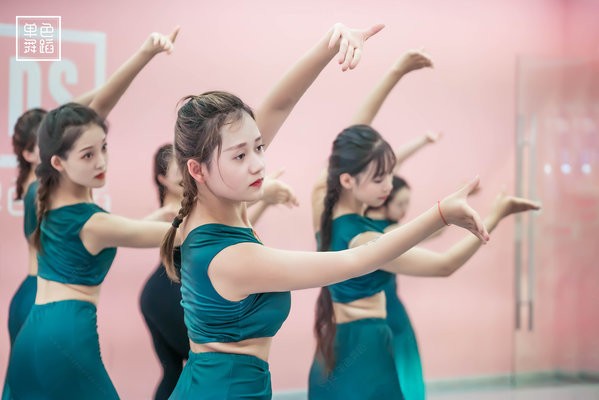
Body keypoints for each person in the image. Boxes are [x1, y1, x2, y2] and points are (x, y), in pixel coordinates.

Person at [159, 23, 490, 399]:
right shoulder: (231, 256)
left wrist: (331, 42)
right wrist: (441, 214)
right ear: (197, 170)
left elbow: (280, 105)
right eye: (240, 155)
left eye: (259, 148)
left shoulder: (212, 200)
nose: (257, 164)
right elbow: (356, 261)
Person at [307, 51, 541, 400]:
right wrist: (496, 214)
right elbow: (445, 265)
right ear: (348, 180)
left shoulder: (321, 206)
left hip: (332, 348)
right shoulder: (368, 238)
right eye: (379, 179)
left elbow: (353, 137)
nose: (388, 186)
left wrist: (396, 71)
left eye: (390, 175)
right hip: (366, 353)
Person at [2, 27, 180, 400]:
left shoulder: (46, 196)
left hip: (34, 327)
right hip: (66, 334)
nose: (101, 162)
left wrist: (144, 54)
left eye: (104, 148)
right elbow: (177, 235)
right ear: (56, 160)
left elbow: (88, 118)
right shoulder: (86, 217)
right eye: (87, 155)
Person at [140, 144, 298, 400]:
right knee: (202, 364)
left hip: (160, 293)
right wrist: (261, 193)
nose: (185, 174)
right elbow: (215, 234)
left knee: (175, 371)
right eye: (177, 171)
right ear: (162, 180)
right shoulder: (176, 212)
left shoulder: (192, 208)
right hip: (168, 292)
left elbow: (230, 235)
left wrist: (264, 201)